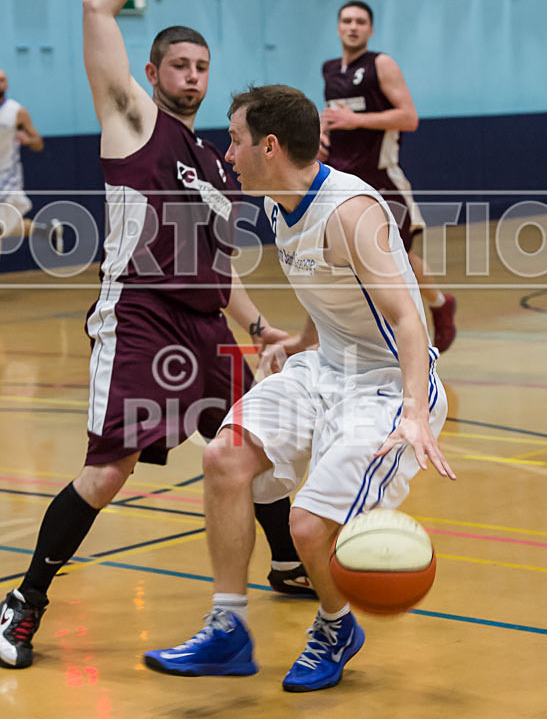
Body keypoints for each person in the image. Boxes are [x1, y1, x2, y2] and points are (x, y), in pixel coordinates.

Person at [0, 0, 313, 671]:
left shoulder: (215, 163)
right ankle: (21, 604)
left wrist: (262, 327)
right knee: (110, 472)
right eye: (180, 65)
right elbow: (94, 6)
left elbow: (219, 267)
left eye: (202, 68)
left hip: (203, 327)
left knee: (249, 444)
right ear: (151, 73)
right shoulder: (134, 122)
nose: (193, 77)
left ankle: (284, 564)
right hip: (140, 316)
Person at [143, 84, 456, 691]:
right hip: (324, 368)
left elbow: (408, 317)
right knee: (224, 457)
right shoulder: (273, 200)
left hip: (385, 387)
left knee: (311, 528)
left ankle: (337, 626)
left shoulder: (352, 212)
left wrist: (413, 412)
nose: (227, 155)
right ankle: (228, 629)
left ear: (269, 145)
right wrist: (300, 342)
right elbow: (332, 287)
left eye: (234, 140)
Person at [320, 0, 456, 353]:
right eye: (347, 21)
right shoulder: (330, 70)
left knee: (400, 257)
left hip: (381, 177)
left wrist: (357, 121)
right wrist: (322, 131)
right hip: (341, 178)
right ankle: (345, 338)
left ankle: (438, 307)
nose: (352, 26)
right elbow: (337, 118)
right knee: (343, 258)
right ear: (338, 27)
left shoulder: (381, 64)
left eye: (360, 21)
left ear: (370, 29)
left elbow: (409, 118)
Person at [0, 69, 63, 253]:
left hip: (8, 178)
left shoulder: (17, 112)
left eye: (3, 80)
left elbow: (38, 142)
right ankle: (46, 231)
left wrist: (29, 140)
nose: (0, 83)